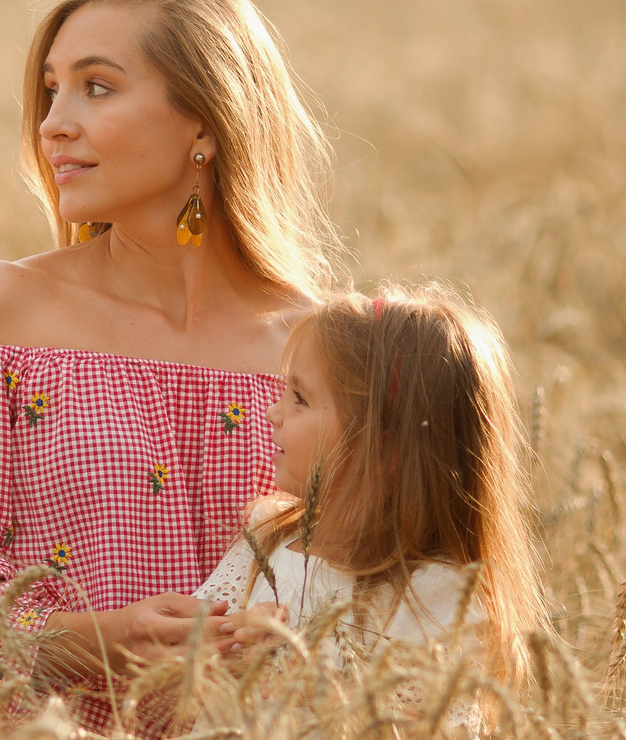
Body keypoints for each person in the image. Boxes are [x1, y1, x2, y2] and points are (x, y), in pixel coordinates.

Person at [0, 0, 342, 740]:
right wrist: (90, 642)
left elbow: (406, 605)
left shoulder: (322, 350)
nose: (53, 123)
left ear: (203, 122)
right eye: (50, 91)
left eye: (96, 88)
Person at [197, 284, 541, 715]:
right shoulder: (266, 537)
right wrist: (228, 650)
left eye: (300, 398)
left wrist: (310, 686)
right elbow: (180, 681)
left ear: (381, 451)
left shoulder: (438, 598)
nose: (273, 411)